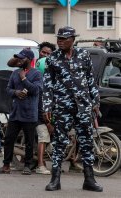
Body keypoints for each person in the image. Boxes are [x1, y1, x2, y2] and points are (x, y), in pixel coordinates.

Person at [43, 26, 103, 192]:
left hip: (83, 106)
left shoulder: (84, 55)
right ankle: (55, 180)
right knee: (60, 142)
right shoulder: (52, 58)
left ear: (72, 40)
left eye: (64, 39)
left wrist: (95, 101)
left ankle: (89, 180)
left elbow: (91, 79)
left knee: (86, 142)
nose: (60, 41)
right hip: (62, 107)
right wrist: (47, 106)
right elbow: (47, 85)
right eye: (58, 38)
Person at [0, 48, 42, 175]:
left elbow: (36, 90)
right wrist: (16, 92)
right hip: (15, 113)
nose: (19, 60)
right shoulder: (15, 73)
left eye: (22, 58)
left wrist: (24, 80)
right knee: (9, 139)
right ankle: (6, 166)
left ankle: (28, 166)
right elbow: (8, 89)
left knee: (29, 141)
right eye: (18, 58)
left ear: (29, 60)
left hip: (29, 113)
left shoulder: (36, 74)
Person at [35, 42, 56, 175]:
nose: (46, 55)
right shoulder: (33, 73)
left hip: (51, 114)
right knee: (44, 135)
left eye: (49, 54)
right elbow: (40, 104)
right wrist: (48, 122)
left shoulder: (54, 76)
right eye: (44, 52)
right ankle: (40, 164)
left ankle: (72, 162)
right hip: (38, 115)